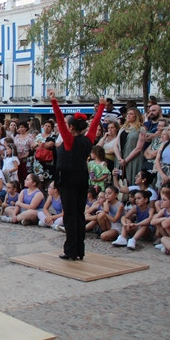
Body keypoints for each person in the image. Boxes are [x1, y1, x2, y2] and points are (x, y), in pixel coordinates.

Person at [50, 89, 104, 260]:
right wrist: (101, 107)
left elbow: (59, 119)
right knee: (79, 215)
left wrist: (54, 102)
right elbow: (95, 124)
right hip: (82, 179)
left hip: (68, 181)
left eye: (68, 125)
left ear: (71, 127)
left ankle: (71, 250)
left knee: (70, 216)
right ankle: (79, 250)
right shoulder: (88, 140)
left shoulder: (69, 140)